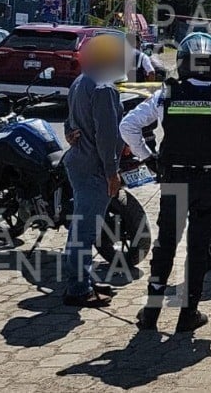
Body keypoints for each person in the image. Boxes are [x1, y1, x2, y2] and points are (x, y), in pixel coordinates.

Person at [121, 33, 211, 332]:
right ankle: (188, 314)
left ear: (182, 63)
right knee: (199, 248)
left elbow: (128, 126)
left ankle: (151, 313)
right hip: (210, 184)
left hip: (175, 180)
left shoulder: (166, 95)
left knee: (166, 245)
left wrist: (148, 157)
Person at [60, 33, 126, 308]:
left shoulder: (82, 81)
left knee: (82, 227)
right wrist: (112, 172)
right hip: (94, 167)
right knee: (84, 231)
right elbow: (107, 134)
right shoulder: (103, 87)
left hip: (79, 162)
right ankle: (78, 288)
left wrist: (70, 133)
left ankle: (83, 280)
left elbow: (69, 120)